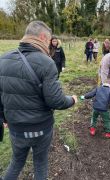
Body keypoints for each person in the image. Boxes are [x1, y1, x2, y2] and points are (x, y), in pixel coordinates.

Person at [0, 21, 77, 180]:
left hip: (16, 129)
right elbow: (56, 101)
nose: (50, 44)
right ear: (42, 37)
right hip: (40, 128)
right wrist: (72, 100)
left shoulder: (3, 59)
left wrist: (3, 117)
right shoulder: (46, 62)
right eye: (49, 41)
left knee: (16, 162)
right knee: (40, 163)